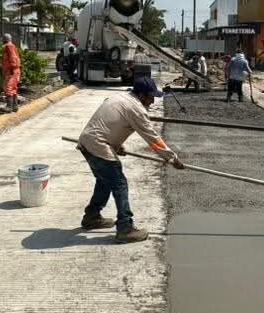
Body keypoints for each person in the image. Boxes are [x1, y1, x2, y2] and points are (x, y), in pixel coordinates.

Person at [77, 77, 186, 243]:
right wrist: (172, 158)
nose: (152, 101)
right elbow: (153, 138)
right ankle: (125, 228)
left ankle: (92, 217)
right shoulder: (136, 109)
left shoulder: (119, 98)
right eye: (151, 97)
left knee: (105, 180)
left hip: (88, 142)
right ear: (141, 95)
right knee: (119, 183)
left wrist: (115, 145)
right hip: (98, 145)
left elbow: (109, 124)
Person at [0, 33, 21, 112]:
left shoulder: (9, 46)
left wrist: (12, 67)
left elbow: (13, 57)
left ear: (5, 39)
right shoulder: (10, 46)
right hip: (13, 70)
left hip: (12, 70)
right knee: (13, 88)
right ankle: (14, 106)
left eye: (3, 39)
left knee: (8, 87)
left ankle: (9, 107)